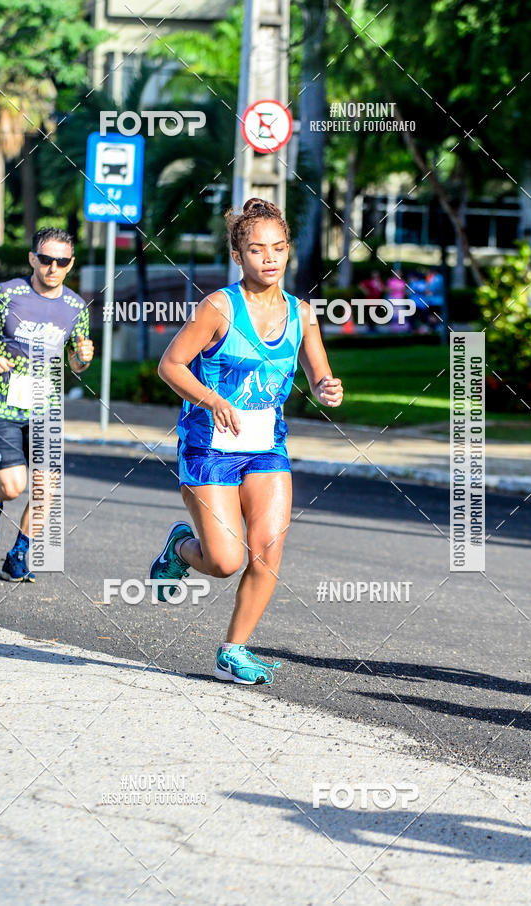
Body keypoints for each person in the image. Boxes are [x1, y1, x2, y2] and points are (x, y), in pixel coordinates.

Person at [150, 198, 344, 685]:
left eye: (278, 248)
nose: (270, 258)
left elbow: (319, 374)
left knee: (267, 551)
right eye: (257, 250)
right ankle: (180, 547)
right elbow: (170, 366)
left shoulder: (302, 313)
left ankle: (232, 651)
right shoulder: (218, 308)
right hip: (208, 447)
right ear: (239, 256)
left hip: (266, 447)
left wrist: (327, 388)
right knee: (224, 561)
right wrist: (211, 398)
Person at [0, 227, 94, 581]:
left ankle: (17, 556)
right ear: (33, 259)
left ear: (70, 264)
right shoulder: (8, 294)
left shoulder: (75, 307)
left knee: (45, 488)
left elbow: (76, 364)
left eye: (61, 261)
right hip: (2, 401)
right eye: (47, 259)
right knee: (13, 485)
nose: (53, 267)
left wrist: (82, 358)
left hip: (46, 406)